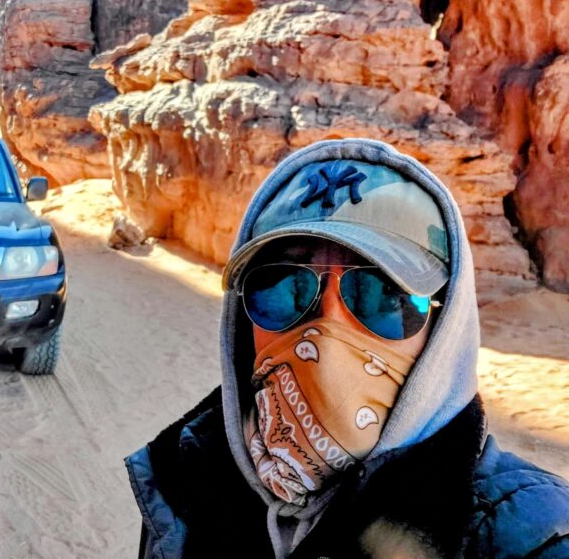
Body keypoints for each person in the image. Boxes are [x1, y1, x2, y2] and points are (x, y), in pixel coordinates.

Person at [126, 138, 569, 558]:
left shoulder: (529, 532)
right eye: (285, 288)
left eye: (382, 296)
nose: (326, 328)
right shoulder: (185, 482)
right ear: (241, 322)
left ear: (444, 328)